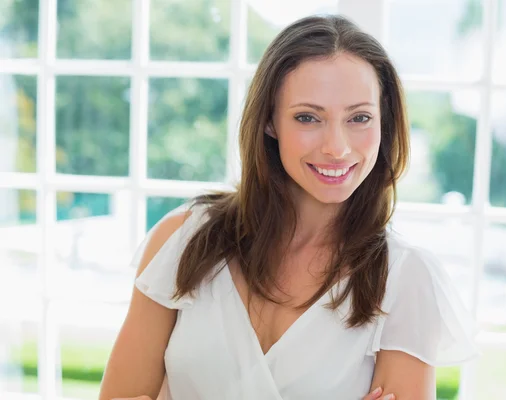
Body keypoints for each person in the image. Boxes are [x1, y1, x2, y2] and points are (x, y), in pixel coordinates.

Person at [99, 14, 478, 400]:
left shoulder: (404, 278)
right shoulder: (183, 239)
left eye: (359, 117)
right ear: (269, 122)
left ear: (385, 124)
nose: (337, 147)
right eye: (308, 117)